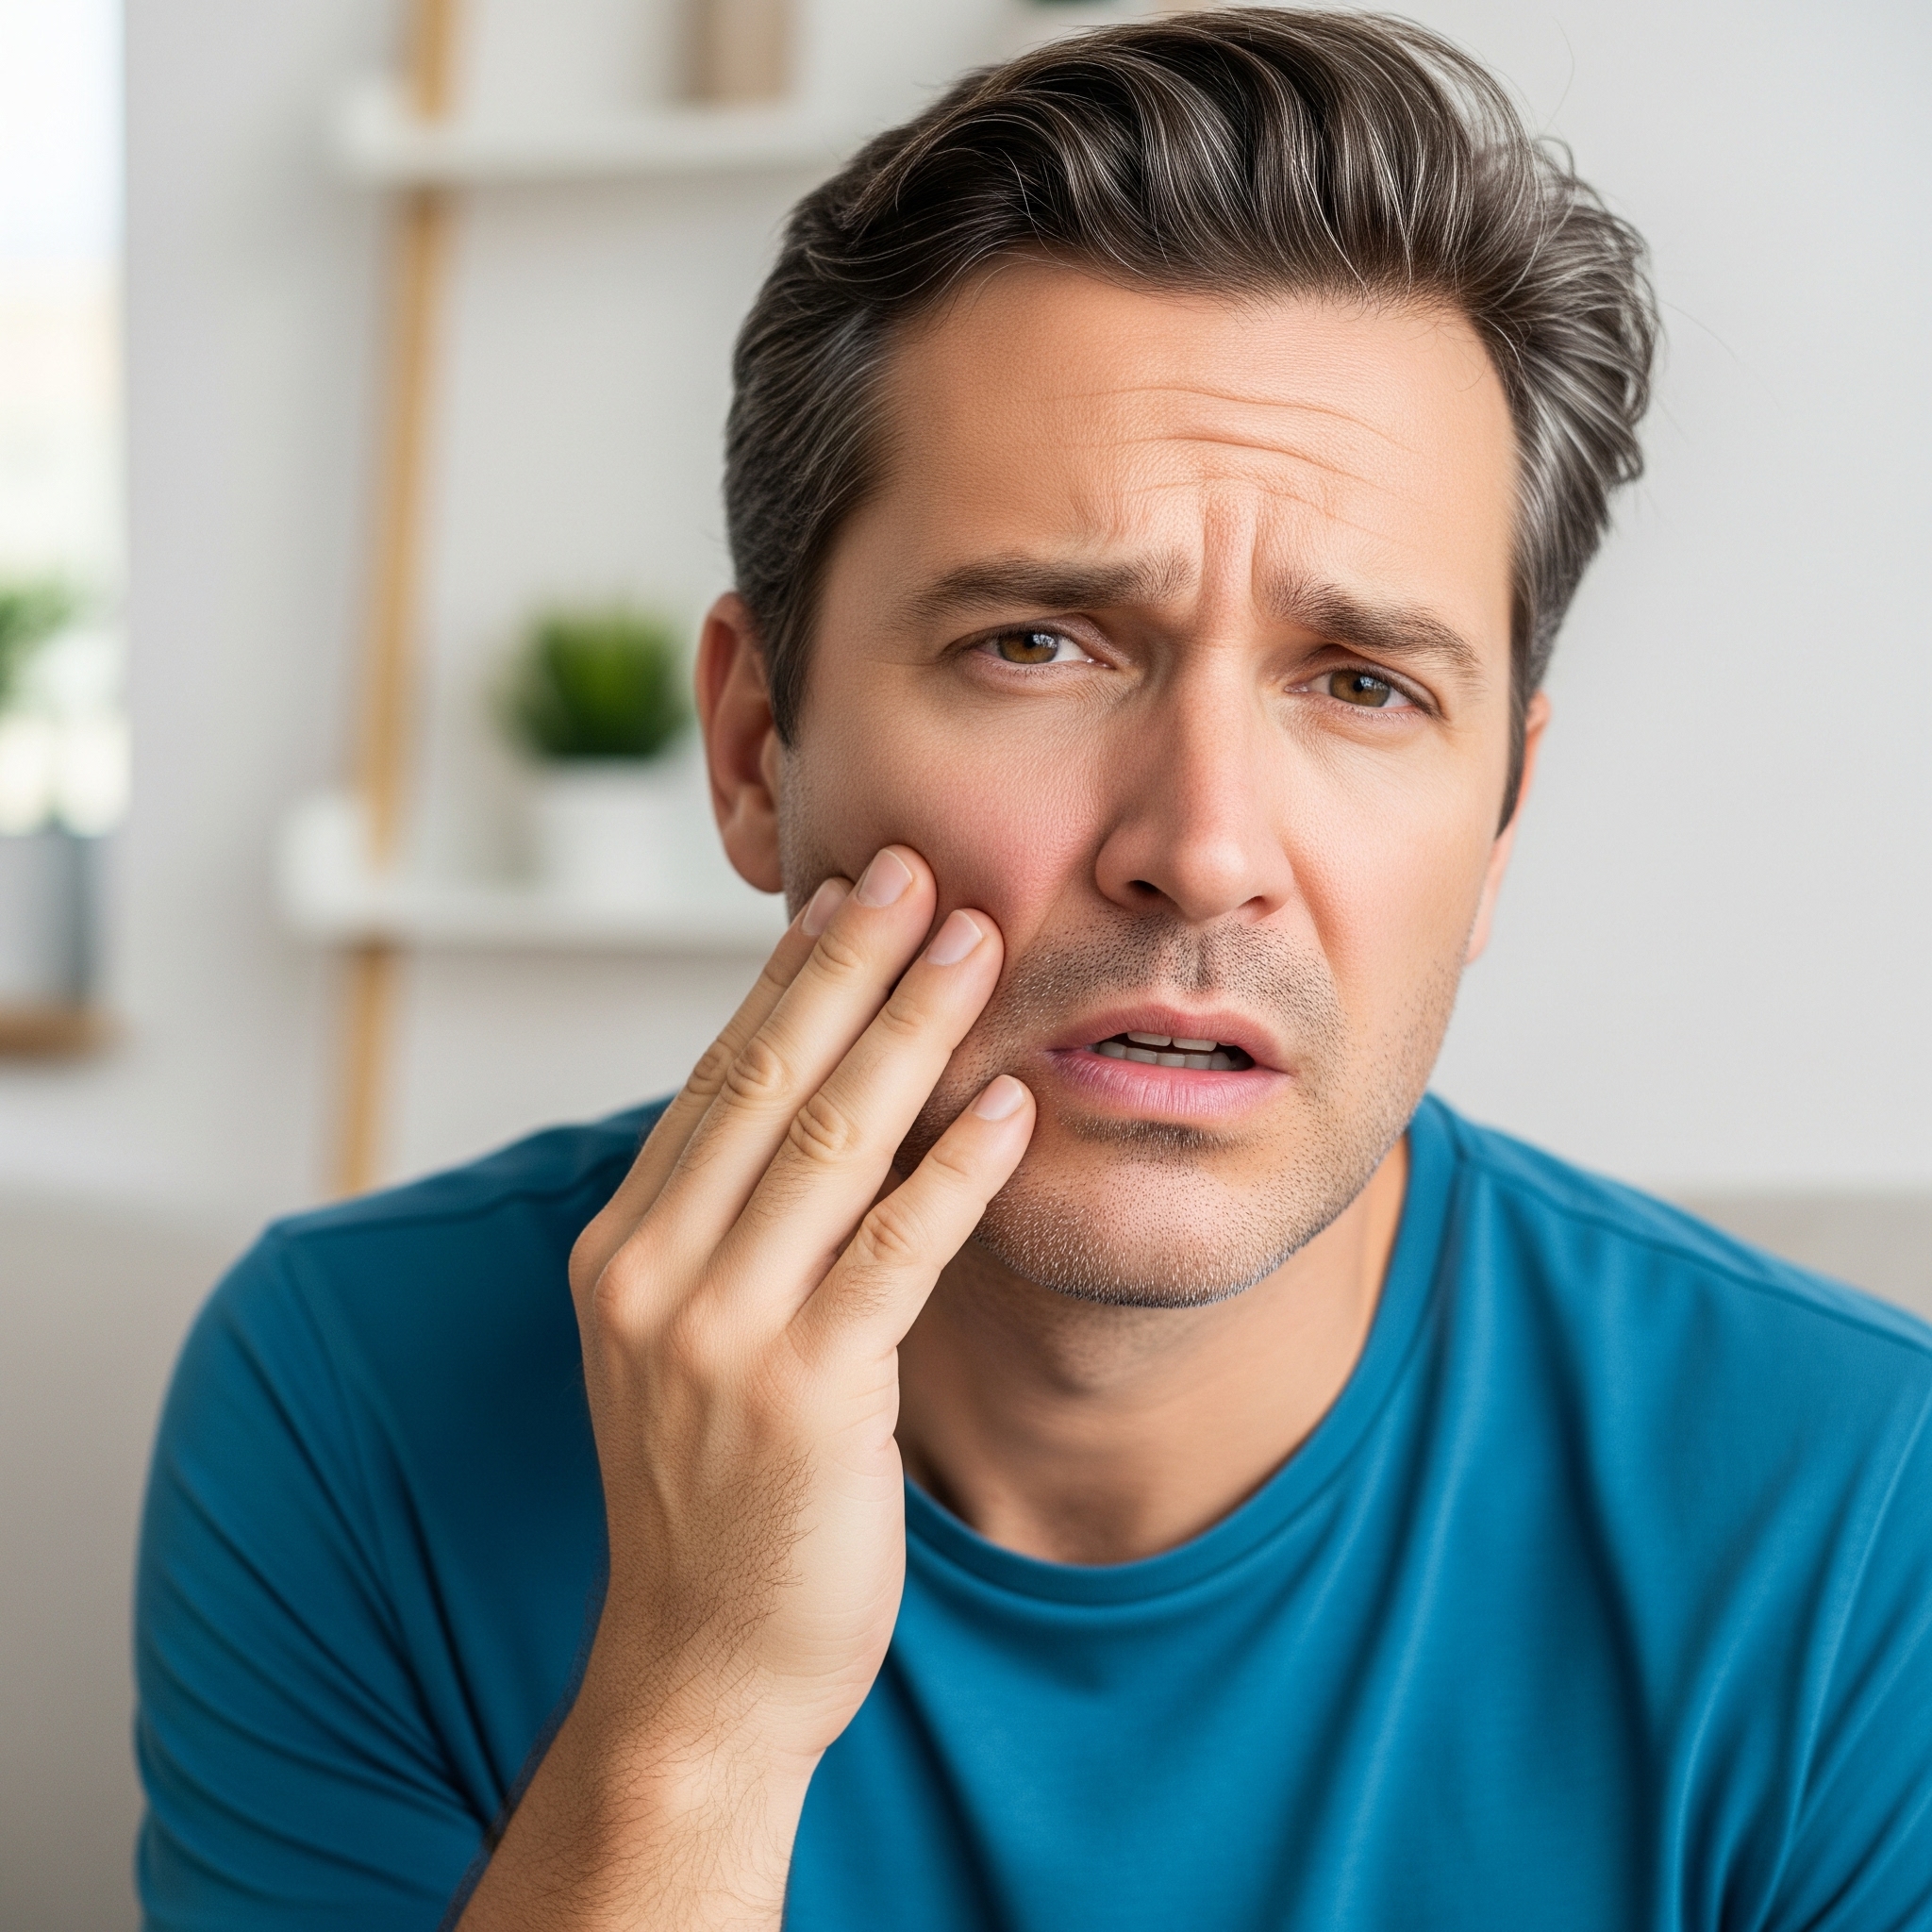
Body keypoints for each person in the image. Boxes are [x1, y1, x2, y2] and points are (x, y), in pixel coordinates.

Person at [135, 13, 1932, 1930]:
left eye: (1361, 684)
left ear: (1496, 825)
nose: (1206, 844)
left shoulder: (1867, 1522)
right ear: (755, 750)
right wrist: (702, 1711)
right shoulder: (350, 1402)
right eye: (1041, 645)